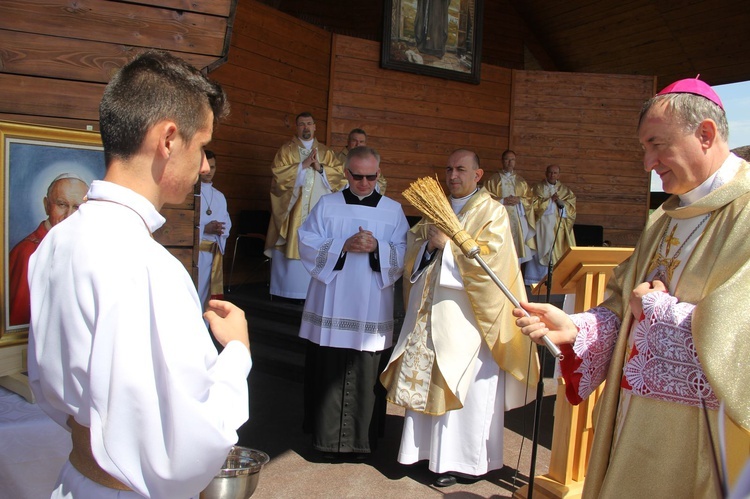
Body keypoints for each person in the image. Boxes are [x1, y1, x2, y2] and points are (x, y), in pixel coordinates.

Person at [27, 50, 252, 498]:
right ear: (169, 139)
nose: (205, 166)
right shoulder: (149, 267)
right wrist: (237, 353)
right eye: (202, 146)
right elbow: (186, 443)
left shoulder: (56, 240)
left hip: (75, 480)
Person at [514, 78, 750, 498]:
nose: (648, 163)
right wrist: (576, 327)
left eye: (657, 145)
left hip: (707, 436)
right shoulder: (664, 217)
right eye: (644, 148)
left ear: (706, 134)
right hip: (634, 417)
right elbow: (624, 306)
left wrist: (659, 311)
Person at [381, 149, 539, 487]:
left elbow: (495, 266)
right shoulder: (433, 209)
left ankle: (462, 461)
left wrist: (448, 248)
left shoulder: (492, 212)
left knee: (467, 388)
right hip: (430, 312)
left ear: (478, 175)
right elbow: (414, 249)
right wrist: (428, 247)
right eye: (449, 169)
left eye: (461, 169)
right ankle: (423, 454)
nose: (453, 175)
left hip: (470, 320)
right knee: (430, 381)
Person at [298, 146, 409, 459]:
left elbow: (404, 251)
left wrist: (378, 247)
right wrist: (342, 245)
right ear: (346, 173)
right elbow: (306, 241)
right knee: (327, 367)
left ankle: (362, 441)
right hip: (330, 306)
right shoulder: (327, 205)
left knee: (365, 370)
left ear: (378, 173)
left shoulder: (392, 210)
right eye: (357, 176)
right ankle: (324, 440)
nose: (364, 182)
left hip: (371, 306)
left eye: (371, 176)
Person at [265, 112, 345, 300]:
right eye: (302, 124)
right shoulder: (286, 151)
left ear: (315, 126)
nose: (306, 127)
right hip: (293, 212)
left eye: (309, 123)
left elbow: (340, 179)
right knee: (293, 240)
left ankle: (314, 294)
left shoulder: (326, 153)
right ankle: (287, 292)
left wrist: (320, 168)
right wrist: (302, 166)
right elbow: (278, 178)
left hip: (319, 212)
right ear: (296, 127)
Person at [8, 173, 88, 326]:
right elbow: (17, 323)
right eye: (62, 204)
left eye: (77, 207)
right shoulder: (27, 252)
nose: (69, 215)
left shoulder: (85, 246)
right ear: (46, 205)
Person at [524, 164, 577, 285]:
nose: (552, 175)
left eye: (555, 173)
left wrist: (560, 201)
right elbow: (531, 205)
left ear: (559, 175)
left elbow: (571, 209)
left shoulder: (565, 190)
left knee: (554, 252)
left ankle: (554, 280)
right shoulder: (537, 188)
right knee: (540, 252)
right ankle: (536, 280)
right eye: (550, 172)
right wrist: (548, 201)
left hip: (558, 227)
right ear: (546, 173)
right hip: (541, 227)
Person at [483, 149, 535, 264]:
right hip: (499, 219)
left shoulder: (521, 181)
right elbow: (484, 198)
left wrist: (519, 200)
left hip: (518, 221)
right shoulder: (493, 180)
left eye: (512, 159)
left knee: (516, 255)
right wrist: (502, 200)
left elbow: (530, 199)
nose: (510, 162)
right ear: (502, 161)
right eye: (507, 159)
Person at [198, 150, 232, 309]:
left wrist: (220, 229)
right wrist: (205, 228)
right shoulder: (190, 194)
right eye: (206, 167)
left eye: (213, 167)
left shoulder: (219, 196)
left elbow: (227, 222)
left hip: (213, 254)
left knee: (207, 298)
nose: (209, 171)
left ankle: (205, 328)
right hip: (196, 254)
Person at [337, 128, 387, 195]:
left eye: (361, 142)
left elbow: (381, 182)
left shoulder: (370, 161)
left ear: (365, 143)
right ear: (348, 141)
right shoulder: (336, 159)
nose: (357, 144)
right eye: (354, 141)